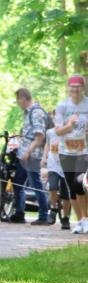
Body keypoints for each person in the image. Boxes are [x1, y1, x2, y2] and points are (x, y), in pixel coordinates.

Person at [10, 88, 50, 225]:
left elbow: (40, 136)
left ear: (23, 98)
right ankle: (19, 213)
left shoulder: (36, 112)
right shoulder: (27, 113)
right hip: (24, 155)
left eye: (18, 100)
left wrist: (28, 151)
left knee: (35, 184)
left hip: (32, 156)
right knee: (17, 182)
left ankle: (44, 215)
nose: (17, 103)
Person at [54, 75, 88, 233]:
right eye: (72, 87)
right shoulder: (62, 106)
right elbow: (58, 131)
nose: (75, 90)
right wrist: (69, 124)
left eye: (78, 87)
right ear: (69, 89)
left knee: (80, 182)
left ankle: (86, 218)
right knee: (71, 188)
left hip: (84, 151)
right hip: (66, 152)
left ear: (83, 88)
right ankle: (80, 221)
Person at [45, 124, 72, 228]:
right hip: (53, 164)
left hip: (67, 166)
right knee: (52, 187)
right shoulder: (50, 132)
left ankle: (65, 218)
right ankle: (53, 208)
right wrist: (44, 157)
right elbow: (47, 144)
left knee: (66, 194)